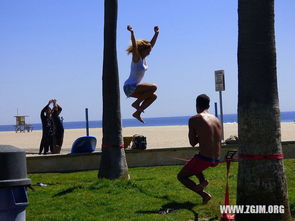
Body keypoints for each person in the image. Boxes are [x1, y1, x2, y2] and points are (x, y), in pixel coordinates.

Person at [177, 94, 222, 204]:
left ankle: (203, 194)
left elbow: (192, 143)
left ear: (196, 105)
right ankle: (203, 181)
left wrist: (199, 135)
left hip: (205, 158)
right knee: (193, 162)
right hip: (216, 158)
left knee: (181, 176)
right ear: (209, 105)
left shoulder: (194, 119)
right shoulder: (216, 119)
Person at [123, 25, 159, 123]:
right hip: (129, 86)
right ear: (143, 50)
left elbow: (151, 44)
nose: (149, 53)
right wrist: (132, 33)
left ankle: (137, 113)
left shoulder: (143, 60)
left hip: (134, 88)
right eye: (148, 51)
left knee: (153, 96)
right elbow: (135, 46)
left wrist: (156, 34)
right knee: (154, 87)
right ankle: (136, 104)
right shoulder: (136, 58)